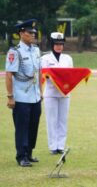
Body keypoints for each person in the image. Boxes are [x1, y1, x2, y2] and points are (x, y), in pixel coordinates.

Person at [5, 19, 42, 167]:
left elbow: (38, 72)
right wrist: (10, 96)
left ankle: (30, 153)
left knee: (34, 125)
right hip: (21, 97)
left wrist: (41, 92)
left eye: (34, 32)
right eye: (29, 32)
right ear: (21, 33)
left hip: (35, 96)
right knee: (22, 127)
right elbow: (9, 75)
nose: (33, 35)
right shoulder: (15, 52)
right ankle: (21, 156)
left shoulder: (36, 50)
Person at [41, 32, 73, 155]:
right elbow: (43, 75)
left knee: (63, 120)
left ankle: (61, 146)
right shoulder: (45, 59)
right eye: (56, 44)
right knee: (51, 120)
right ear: (52, 44)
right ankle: (53, 146)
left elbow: (71, 75)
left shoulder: (68, 58)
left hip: (65, 93)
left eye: (61, 44)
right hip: (51, 92)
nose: (59, 46)